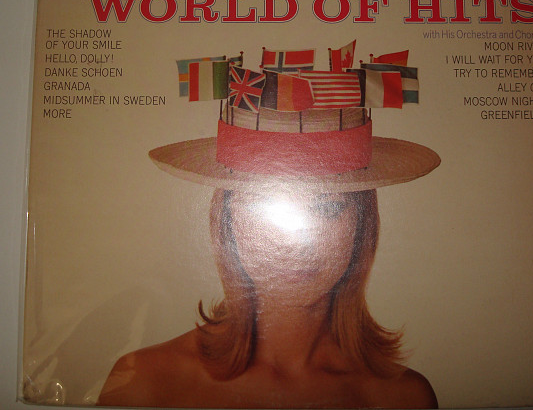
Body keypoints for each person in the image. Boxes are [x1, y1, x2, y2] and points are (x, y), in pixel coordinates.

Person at [98, 106, 440, 408]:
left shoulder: (403, 398)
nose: (296, 248)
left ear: (362, 226)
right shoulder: (144, 383)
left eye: (328, 208)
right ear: (227, 221)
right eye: (260, 201)